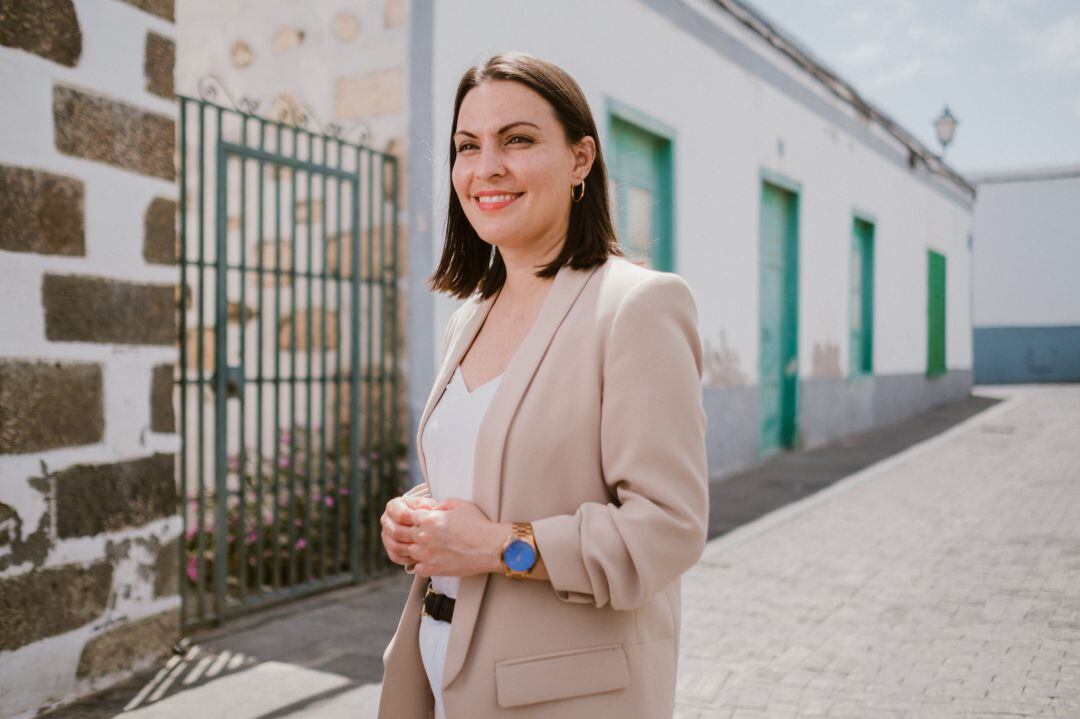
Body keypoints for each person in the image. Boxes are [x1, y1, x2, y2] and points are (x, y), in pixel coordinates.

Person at [378, 52, 708, 718]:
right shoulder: (469, 317)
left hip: (561, 696)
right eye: (467, 146)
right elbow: (506, 462)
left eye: (518, 140)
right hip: (440, 674)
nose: (487, 166)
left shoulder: (636, 307)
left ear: (581, 159)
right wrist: (420, 514)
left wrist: (500, 545)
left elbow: (669, 527)